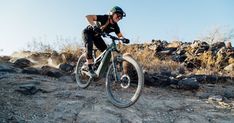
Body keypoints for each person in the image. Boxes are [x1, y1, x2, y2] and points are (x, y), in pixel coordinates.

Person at [82, 6, 130, 77]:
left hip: (97, 37)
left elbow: (119, 35)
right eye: (118, 15)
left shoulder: (115, 26)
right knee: (89, 45)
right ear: (112, 13)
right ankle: (89, 67)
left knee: (106, 53)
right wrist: (94, 26)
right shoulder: (104, 18)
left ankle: (96, 66)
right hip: (88, 33)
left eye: (121, 17)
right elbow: (88, 17)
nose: (119, 18)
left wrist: (124, 39)